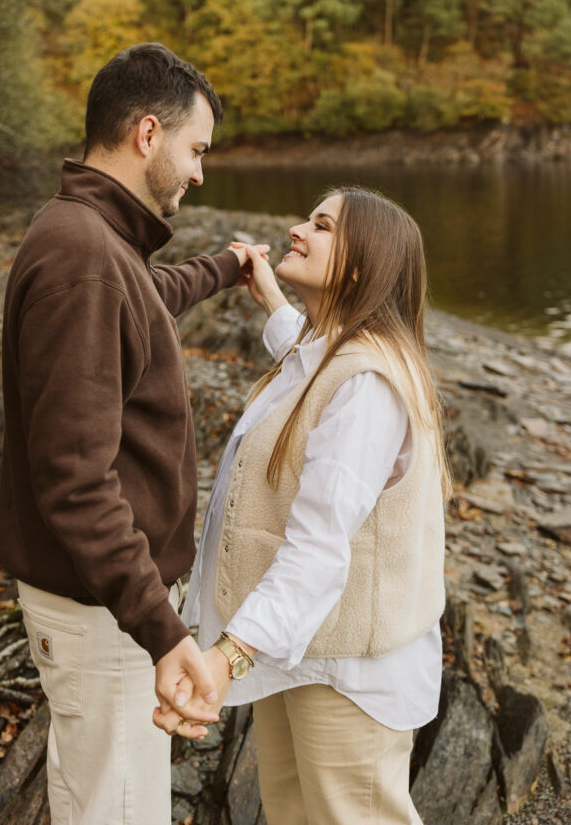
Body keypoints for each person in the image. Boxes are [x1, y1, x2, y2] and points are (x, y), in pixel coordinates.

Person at [0, 42, 267, 825]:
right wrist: (160, 628)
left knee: (106, 799)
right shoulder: (83, 257)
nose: (199, 173)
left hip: (103, 603)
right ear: (148, 134)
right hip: (102, 612)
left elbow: (144, 295)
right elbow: (75, 483)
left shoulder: (93, 239)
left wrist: (225, 266)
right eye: (196, 150)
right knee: (113, 812)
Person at [156, 186, 450, 825]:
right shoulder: (333, 354)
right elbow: (306, 359)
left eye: (320, 225)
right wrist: (272, 300)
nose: (295, 228)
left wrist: (228, 656)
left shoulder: (367, 385)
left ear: (358, 264)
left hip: (347, 675)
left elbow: (317, 548)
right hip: (299, 654)